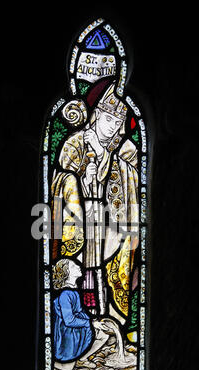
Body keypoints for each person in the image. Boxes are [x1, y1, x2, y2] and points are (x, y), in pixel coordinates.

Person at [51, 81, 139, 323]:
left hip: (105, 220)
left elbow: (123, 185)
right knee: (82, 268)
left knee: (115, 244)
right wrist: (81, 180)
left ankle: (104, 311)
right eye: (109, 119)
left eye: (118, 123)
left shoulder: (116, 152)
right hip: (79, 220)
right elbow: (60, 184)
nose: (113, 127)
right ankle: (78, 315)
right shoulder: (75, 143)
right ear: (97, 115)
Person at [53, 259, 109, 370]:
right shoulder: (65, 294)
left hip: (80, 329)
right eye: (73, 266)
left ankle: (82, 359)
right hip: (68, 335)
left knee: (104, 335)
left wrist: (92, 322)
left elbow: (80, 312)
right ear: (66, 273)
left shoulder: (73, 291)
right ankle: (51, 361)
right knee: (67, 368)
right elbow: (69, 321)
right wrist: (91, 323)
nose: (78, 266)